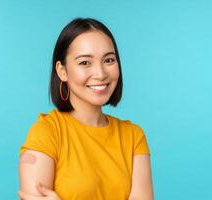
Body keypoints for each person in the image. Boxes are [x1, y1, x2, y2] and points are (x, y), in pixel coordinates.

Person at [18, 17, 154, 200]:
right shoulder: (46, 133)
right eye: (85, 62)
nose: (100, 73)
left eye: (109, 60)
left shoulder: (133, 137)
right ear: (62, 71)